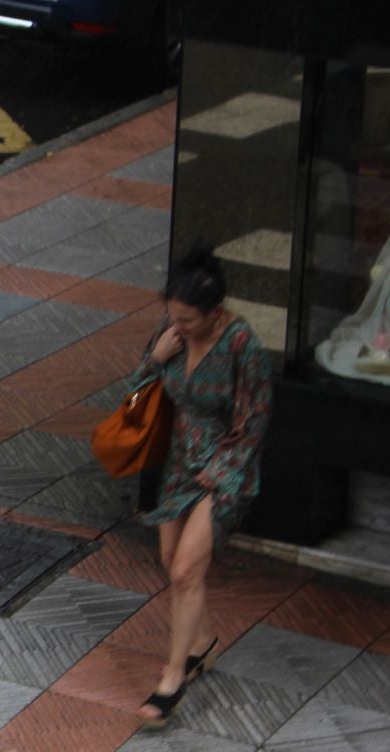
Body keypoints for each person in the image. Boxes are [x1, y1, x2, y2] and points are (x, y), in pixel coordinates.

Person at [130, 246, 274, 727]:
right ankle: (204, 639)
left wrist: (217, 476)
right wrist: (155, 357)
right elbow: (134, 395)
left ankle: (173, 679)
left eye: (188, 320)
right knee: (173, 563)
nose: (179, 327)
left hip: (225, 470)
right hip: (179, 464)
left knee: (186, 571)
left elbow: (253, 425)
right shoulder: (171, 333)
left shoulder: (243, 347)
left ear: (215, 315)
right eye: (173, 316)